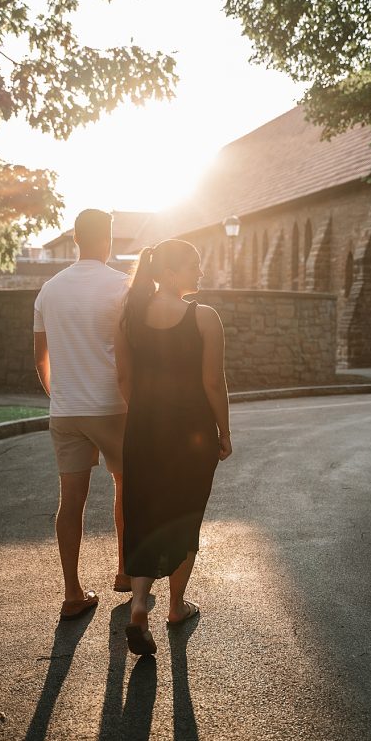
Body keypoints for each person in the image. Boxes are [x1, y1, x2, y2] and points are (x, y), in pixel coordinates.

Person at [114, 239, 232, 656]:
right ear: (169, 272)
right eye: (193, 265)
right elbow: (213, 383)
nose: (200, 272)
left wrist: (146, 417)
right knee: (184, 515)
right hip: (191, 432)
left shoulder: (129, 316)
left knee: (146, 513)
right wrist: (224, 431)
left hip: (143, 428)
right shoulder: (204, 318)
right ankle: (177, 606)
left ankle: (140, 604)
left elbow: (124, 379)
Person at [33, 209, 132, 621]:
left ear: (74, 237)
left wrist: (60, 395)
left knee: (70, 501)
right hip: (113, 406)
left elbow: (40, 358)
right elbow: (133, 352)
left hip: (67, 409)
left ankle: (73, 592)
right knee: (127, 486)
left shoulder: (48, 290)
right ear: (108, 237)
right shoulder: (123, 286)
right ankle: (125, 571)